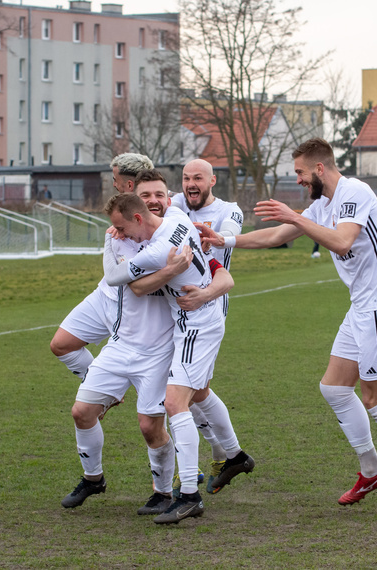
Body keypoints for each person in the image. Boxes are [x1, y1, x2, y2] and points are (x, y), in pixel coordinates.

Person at [199, 138, 377, 515]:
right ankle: (372, 471)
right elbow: (276, 235)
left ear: (320, 169)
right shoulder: (321, 206)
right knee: (335, 388)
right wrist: (223, 239)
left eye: (301, 173)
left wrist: (296, 216)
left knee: (375, 398)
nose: (300, 180)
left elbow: (342, 242)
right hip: (362, 309)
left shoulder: (355, 191)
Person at [61, 170, 235, 517]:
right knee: (81, 411)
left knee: (161, 418)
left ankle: (172, 491)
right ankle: (94, 478)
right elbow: (126, 283)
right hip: (120, 343)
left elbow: (222, 275)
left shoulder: (173, 226)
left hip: (160, 348)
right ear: (135, 198)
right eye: (147, 194)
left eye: (160, 194)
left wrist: (204, 293)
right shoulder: (128, 235)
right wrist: (115, 242)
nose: (155, 199)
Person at [104, 178, 255, 525]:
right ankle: (235, 456)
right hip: (204, 316)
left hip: (195, 325)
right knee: (198, 392)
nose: (122, 235)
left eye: (123, 228)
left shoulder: (159, 251)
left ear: (138, 219)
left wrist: (112, 248)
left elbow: (116, 278)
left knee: (175, 404)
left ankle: (189, 495)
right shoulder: (178, 220)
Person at [171, 159, 245, 493]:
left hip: (209, 307)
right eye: (186, 178)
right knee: (191, 390)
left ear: (212, 180)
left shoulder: (230, 210)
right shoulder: (174, 204)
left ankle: (211, 457)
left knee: (190, 390)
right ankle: (221, 454)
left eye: (197, 178)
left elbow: (230, 234)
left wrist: (214, 238)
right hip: (172, 309)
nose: (191, 184)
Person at [49, 153, 155, 381]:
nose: (113, 184)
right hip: (105, 294)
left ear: (128, 184)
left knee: (159, 385)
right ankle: (104, 391)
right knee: (61, 344)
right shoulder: (120, 211)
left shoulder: (165, 212)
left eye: (115, 179)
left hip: (135, 307)